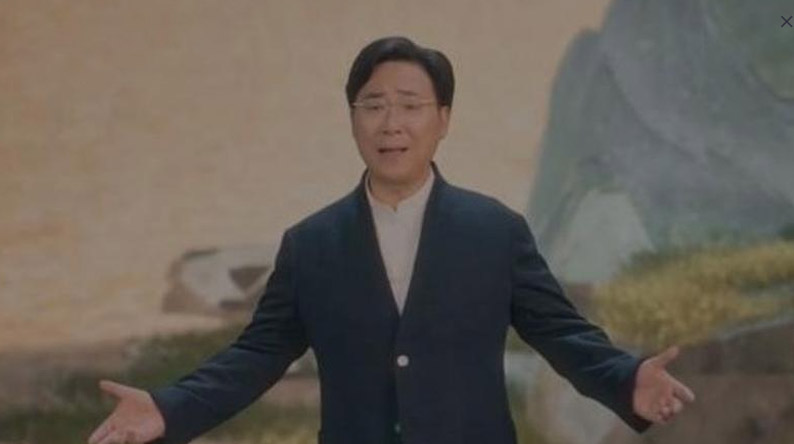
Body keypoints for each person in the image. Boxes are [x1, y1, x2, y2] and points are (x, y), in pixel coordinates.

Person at [87, 36, 695, 444]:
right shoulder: (311, 244)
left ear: (443, 119)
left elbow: (561, 333)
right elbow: (257, 355)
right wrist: (166, 408)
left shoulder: (495, 231)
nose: (391, 124)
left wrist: (626, 379)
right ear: (352, 118)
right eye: (372, 105)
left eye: (410, 106)